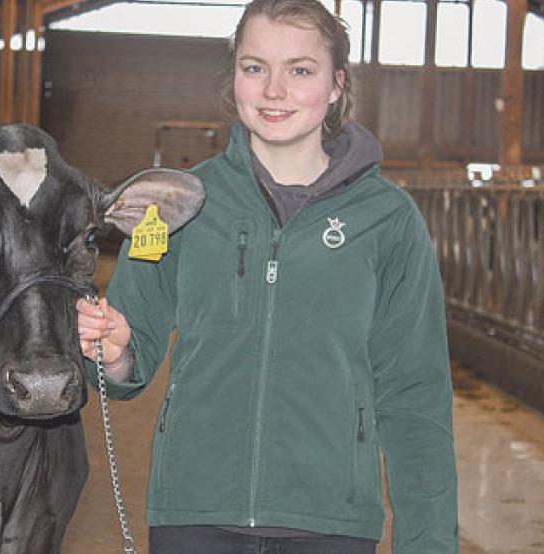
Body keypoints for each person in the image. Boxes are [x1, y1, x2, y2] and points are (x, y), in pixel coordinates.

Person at [76, 0, 459, 551]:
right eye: (255, 68)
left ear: (335, 86)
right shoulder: (176, 204)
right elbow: (128, 359)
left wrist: (429, 544)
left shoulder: (388, 221)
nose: (273, 90)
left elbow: (416, 399)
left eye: (300, 70)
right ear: (234, 78)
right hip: (194, 518)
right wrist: (112, 351)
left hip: (331, 526)